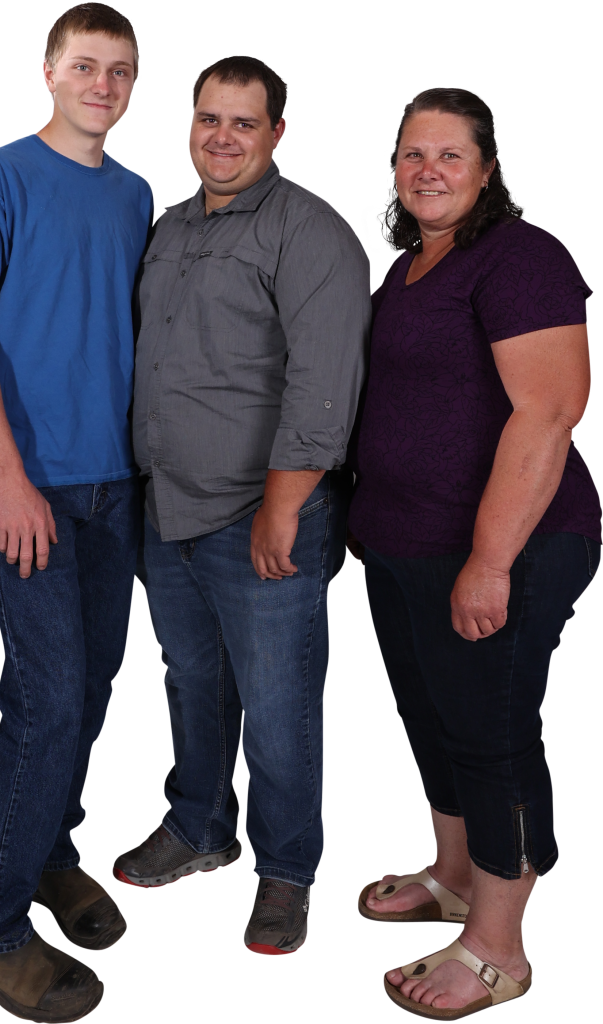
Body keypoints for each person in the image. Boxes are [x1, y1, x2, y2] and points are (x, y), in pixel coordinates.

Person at [348, 87, 599, 1018]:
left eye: (451, 155)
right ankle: (455, 878)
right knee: (430, 716)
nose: (429, 171)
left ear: (489, 168)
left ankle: (498, 946)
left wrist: (489, 562)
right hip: (406, 543)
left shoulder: (521, 257)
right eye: (414, 154)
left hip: (506, 548)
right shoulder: (415, 262)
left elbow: (550, 409)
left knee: (492, 737)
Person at [112, 54, 370, 956]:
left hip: (263, 515)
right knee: (190, 685)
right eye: (208, 121)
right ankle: (201, 828)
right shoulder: (170, 224)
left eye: (244, 124)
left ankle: (287, 869)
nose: (222, 138)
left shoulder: (312, 230)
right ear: (189, 126)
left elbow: (324, 383)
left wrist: (284, 507)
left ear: (278, 134)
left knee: (279, 703)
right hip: (168, 510)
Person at [0, 5, 153, 1020]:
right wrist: (7, 474)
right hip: (31, 482)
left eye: (119, 71)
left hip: (118, 483)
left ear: (134, 83)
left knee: (97, 687)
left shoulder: (140, 193)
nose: (100, 84)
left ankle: (53, 852)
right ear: (47, 72)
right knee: (46, 700)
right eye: (84, 66)